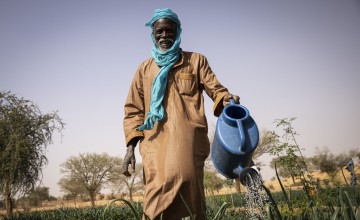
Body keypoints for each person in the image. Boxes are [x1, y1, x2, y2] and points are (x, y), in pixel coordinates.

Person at [122, 8, 240, 220]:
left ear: (178, 32)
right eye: (159, 31)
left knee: (188, 184)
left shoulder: (196, 61)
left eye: (169, 30)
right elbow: (133, 110)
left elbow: (216, 88)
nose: (164, 35)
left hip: (189, 137)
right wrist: (130, 148)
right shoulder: (144, 69)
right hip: (154, 141)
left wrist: (227, 98)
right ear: (153, 34)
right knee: (157, 187)